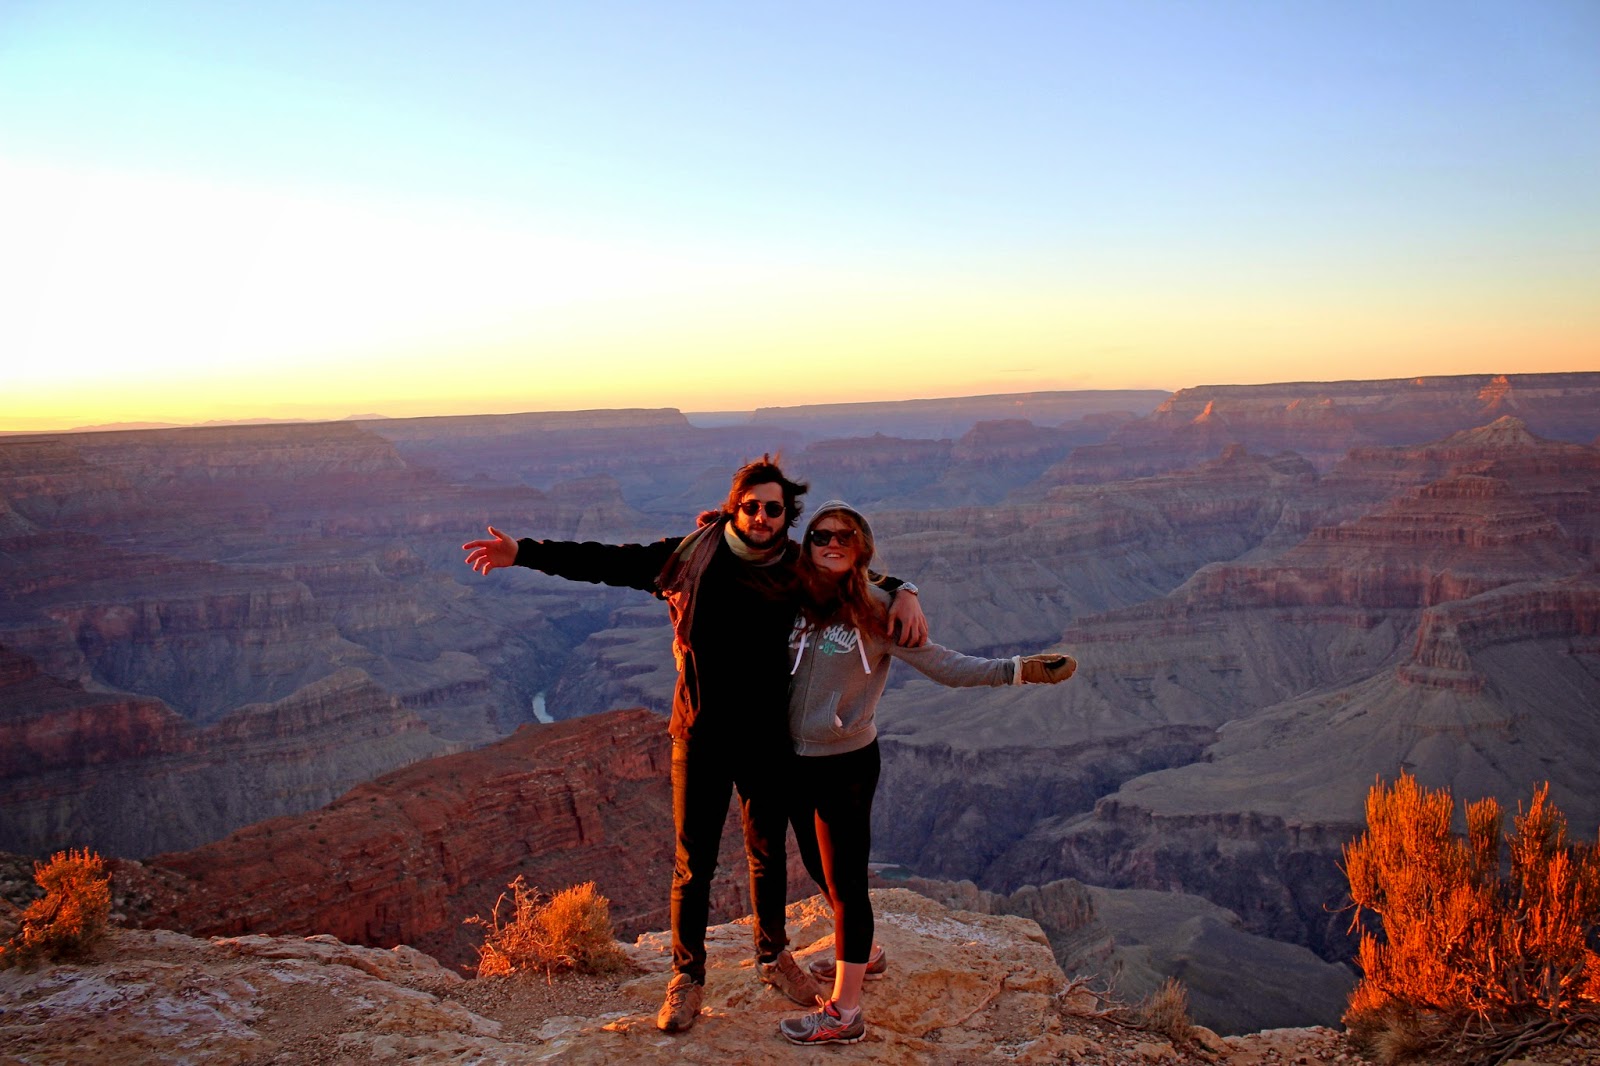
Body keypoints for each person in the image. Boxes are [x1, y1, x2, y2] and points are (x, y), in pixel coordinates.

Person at [461, 457, 928, 1034]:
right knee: (693, 865)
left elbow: (855, 575)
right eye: (751, 506)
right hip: (699, 734)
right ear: (735, 508)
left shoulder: (797, 566)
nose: (761, 516)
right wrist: (523, 552)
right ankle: (686, 978)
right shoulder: (690, 557)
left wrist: (906, 591)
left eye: (774, 508)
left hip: (767, 739)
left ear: (787, 516)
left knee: (766, 855)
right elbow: (606, 561)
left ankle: (772, 957)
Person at [777, 500, 1077, 1047]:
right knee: (820, 870)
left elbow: (944, 664)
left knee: (847, 883)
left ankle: (845, 1014)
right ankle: (866, 955)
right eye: (821, 535)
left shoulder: (878, 610)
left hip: (845, 762)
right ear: (808, 543)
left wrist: (1017, 670)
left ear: (862, 547)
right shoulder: (791, 595)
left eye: (845, 536)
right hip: (793, 760)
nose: (832, 543)